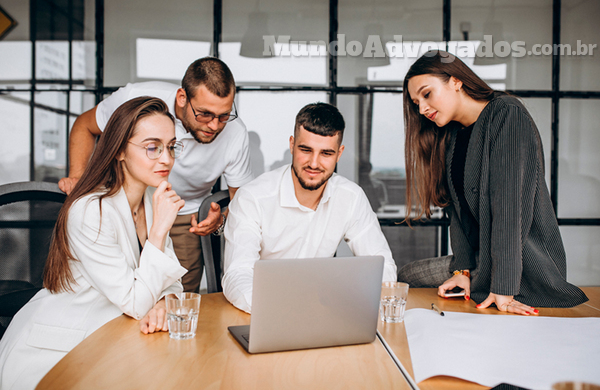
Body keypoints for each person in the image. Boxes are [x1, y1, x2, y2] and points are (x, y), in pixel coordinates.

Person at [0, 97, 188, 388]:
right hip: (62, 350)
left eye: (172, 146)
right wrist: (159, 231)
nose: (166, 158)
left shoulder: (153, 201)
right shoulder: (89, 210)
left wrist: (163, 303)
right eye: (153, 147)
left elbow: (172, 281)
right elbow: (136, 302)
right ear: (120, 151)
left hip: (117, 335)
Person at [397, 50, 588, 315]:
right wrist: (461, 271)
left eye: (427, 94)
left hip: (518, 263)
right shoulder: (451, 135)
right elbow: (458, 215)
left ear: (456, 81)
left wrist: (504, 288)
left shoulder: (507, 114)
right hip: (477, 260)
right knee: (406, 274)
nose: (422, 108)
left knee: (408, 277)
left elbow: (508, 209)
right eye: (416, 102)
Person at [58, 57, 253, 293]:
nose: (214, 125)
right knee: (113, 290)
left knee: (176, 298)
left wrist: (220, 219)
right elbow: (84, 126)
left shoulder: (235, 133)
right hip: (125, 202)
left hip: (184, 215)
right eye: (204, 114)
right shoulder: (137, 100)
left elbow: (242, 203)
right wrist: (78, 179)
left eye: (223, 116)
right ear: (182, 98)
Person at [222, 102, 397, 313]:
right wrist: (280, 309)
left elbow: (383, 266)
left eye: (326, 153)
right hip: (265, 312)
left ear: (339, 154)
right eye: (306, 150)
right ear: (292, 145)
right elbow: (237, 274)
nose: (314, 164)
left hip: (323, 311)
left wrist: (352, 303)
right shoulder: (253, 198)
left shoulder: (351, 197)